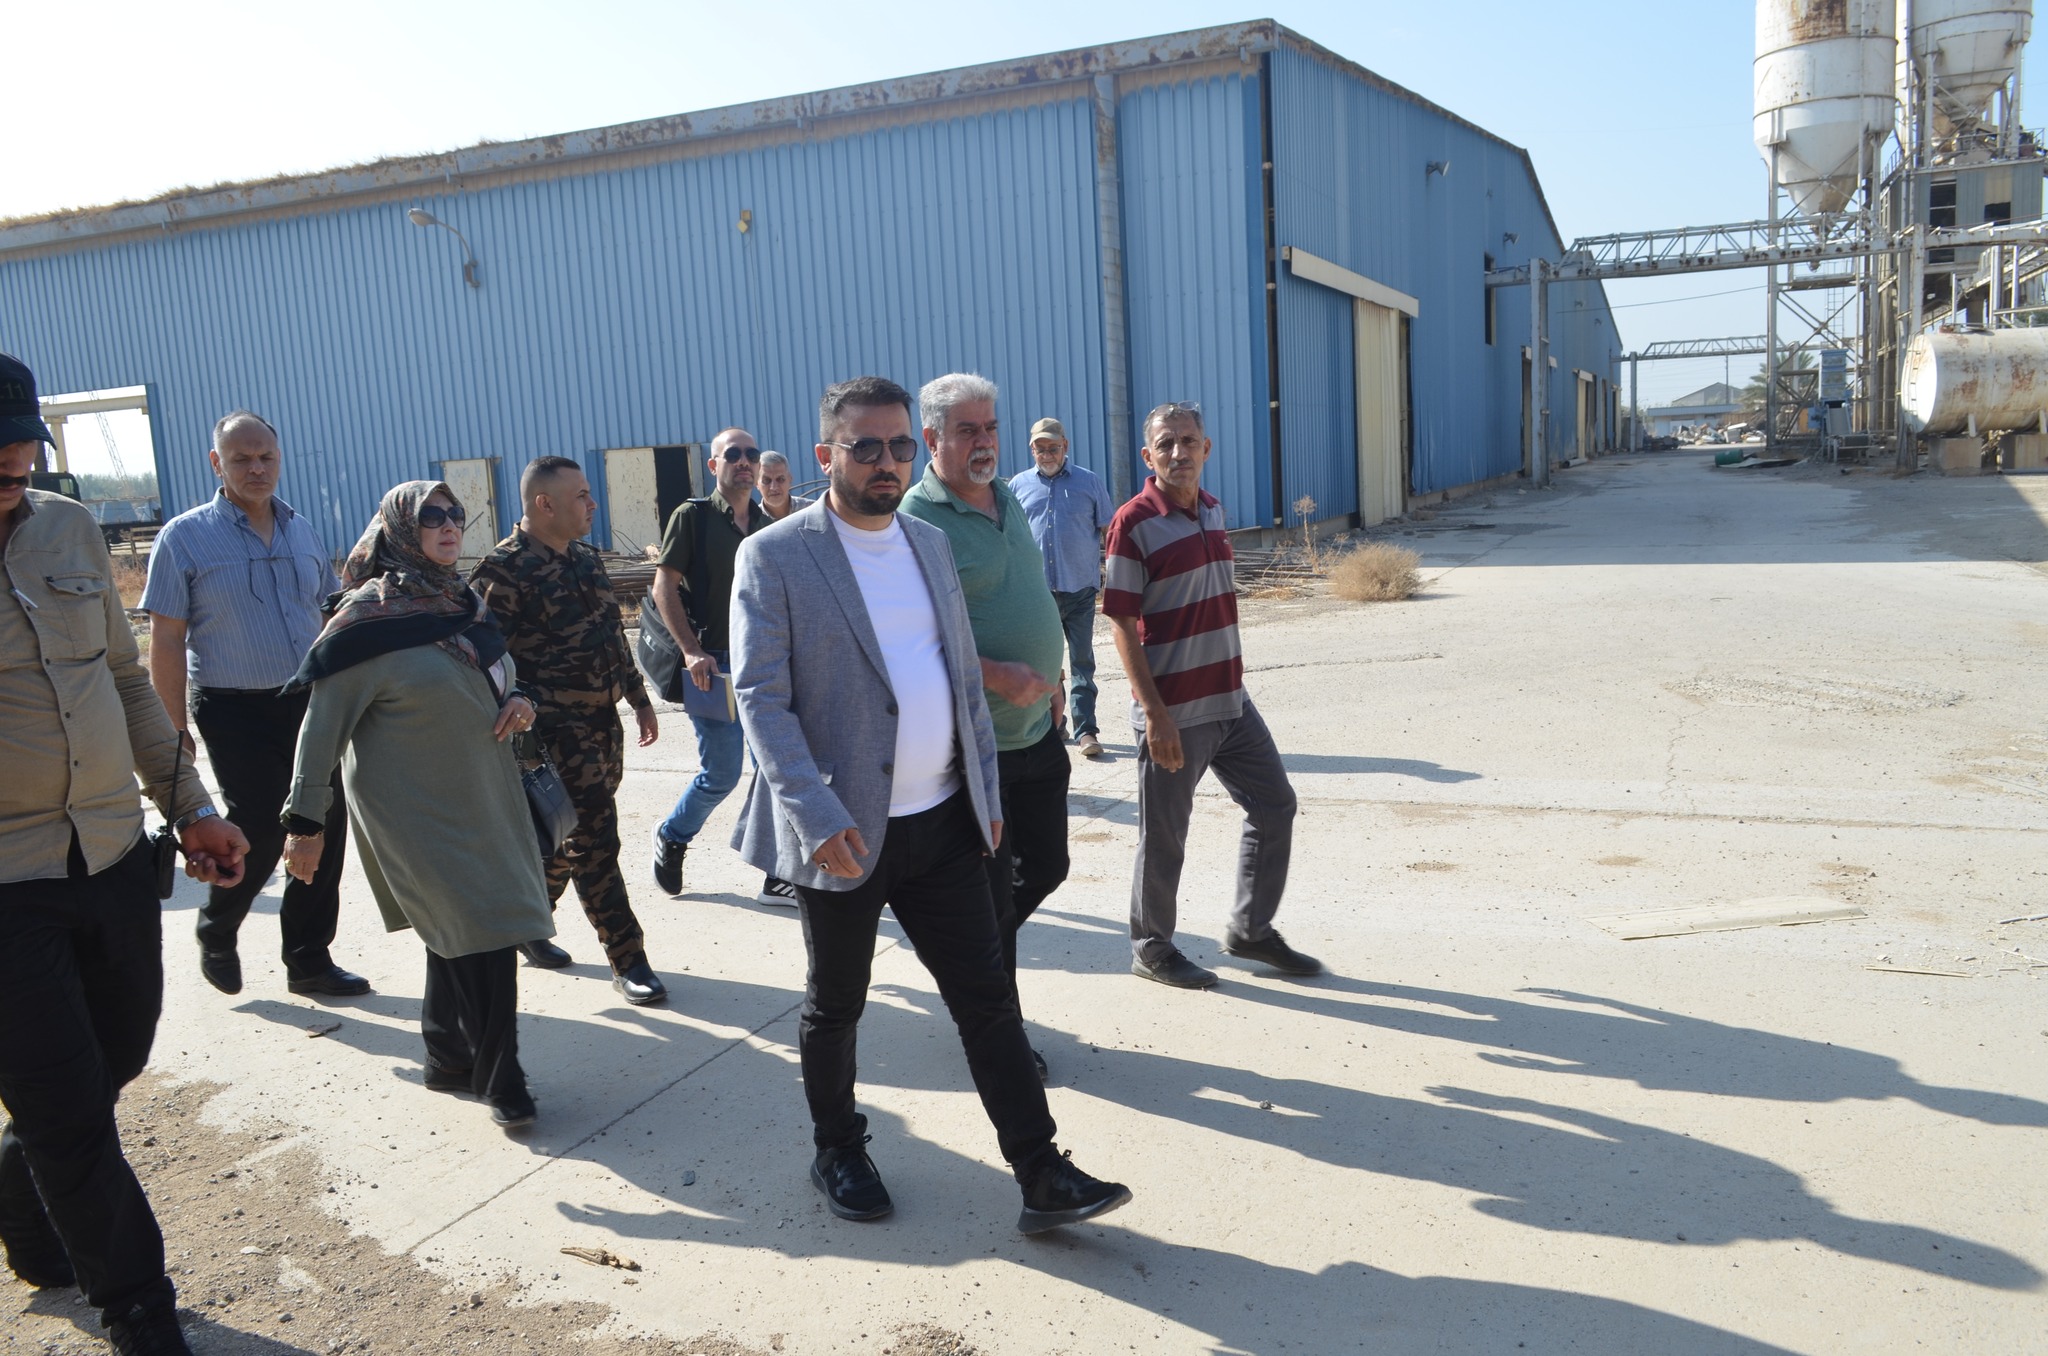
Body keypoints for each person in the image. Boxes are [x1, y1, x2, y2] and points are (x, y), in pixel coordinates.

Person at [729, 374, 1129, 1234]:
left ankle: (1040, 1170)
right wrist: (813, 814)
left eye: (900, 445)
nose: (886, 462)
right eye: (865, 447)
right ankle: (838, 1145)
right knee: (837, 1003)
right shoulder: (777, 555)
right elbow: (760, 699)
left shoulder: (927, 545)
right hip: (845, 832)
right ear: (826, 455)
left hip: (946, 820)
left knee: (987, 998)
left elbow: (957, 680)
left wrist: (984, 790)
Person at [0, 352, 251, 1356]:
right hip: (5, 885)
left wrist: (189, 805)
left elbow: (122, 679)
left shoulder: (64, 530)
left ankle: (22, 1191)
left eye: (22, 469)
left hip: (109, 850)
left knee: (116, 1056)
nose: (14, 489)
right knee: (70, 1105)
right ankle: (139, 1306)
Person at [279, 481, 554, 1130]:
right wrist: (304, 823)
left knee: (458, 930)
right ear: (401, 528)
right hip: (414, 812)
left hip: (486, 798)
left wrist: (522, 703)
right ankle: (502, 1077)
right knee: (486, 930)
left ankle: (448, 1054)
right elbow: (320, 729)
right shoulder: (367, 621)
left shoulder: (462, 605)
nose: (450, 524)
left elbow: (505, 679)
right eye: (432, 516)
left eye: (456, 513)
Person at [142, 411, 369, 998]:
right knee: (262, 828)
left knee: (324, 824)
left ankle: (310, 960)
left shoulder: (302, 530)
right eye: (241, 458)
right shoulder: (184, 536)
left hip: (308, 702)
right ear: (217, 464)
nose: (256, 468)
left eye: (265, 456)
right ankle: (218, 928)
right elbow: (165, 639)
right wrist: (171, 728)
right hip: (232, 705)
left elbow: (327, 615)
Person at [1104, 402, 1323, 989]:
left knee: (1275, 805)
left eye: (1189, 441)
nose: (1179, 453)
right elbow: (1121, 623)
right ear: (1148, 455)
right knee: (1165, 835)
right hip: (1175, 712)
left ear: (1206, 449)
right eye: (1167, 444)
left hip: (1231, 700)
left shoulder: (1212, 510)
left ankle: (1251, 930)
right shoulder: (1132, 521)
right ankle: (1151, 946)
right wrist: (1155, 715)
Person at [901, 373, 1068, 1081]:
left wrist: (1051, 679)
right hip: (977, 747)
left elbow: (1022, 595)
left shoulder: (1007, 495)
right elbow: (913, 638)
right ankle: (1002, 1032)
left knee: (1049, 867)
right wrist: (998, 674)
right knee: (995, 901)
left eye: (991, 427)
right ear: (932, 438)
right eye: (967, 430)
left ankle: (968, 953)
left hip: (1038, 729)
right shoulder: (916, 519)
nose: (985, 442)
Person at [470, 457, 667, 1005]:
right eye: (581, 495)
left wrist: (638, 697)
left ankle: (526, 924)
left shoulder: (584, 559)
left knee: (564, 839)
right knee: (597, 841)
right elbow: (481, 660)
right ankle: (629, 958)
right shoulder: (502, 571)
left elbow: (611, 635)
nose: (593, 503)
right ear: (544, 504)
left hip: (604, 724)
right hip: (553, 735)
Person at [649, 427, 793, 906]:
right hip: (714, 666)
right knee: (722, 775)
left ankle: (775, 873)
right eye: (733, 454)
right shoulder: (692, 517)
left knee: (775, 770)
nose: (745, 462)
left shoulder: (768, 523)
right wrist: (691, 651)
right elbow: (663, 588)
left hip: (766, 664)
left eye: (752, 454)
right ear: (714, 465)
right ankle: (672, 835)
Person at [1010, 415, 1119, 759]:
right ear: (1032, 449)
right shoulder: (1018, 486)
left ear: (1065, 447)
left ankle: (1086, 730)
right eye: (1040, 448)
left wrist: (1115, 577)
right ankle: (1054, 728)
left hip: (1080, 589)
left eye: (1053, 447)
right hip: (1036, 594)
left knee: (1082, 662)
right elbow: (1010, 539)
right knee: (1045, 662)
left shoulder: (1089, 482)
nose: (1047, 454)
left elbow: (1109, 532)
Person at [757, 450, 812, 521]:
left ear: (790, 479)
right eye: (766, 480)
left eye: (780, 479)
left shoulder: (811, 511)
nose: (774, 487)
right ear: (757, 483)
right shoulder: (750, 523)